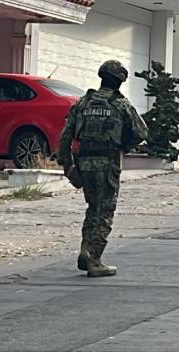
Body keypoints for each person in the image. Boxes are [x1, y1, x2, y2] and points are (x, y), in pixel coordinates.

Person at [57, 60, 148, 277]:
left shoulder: (82, 103)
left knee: (92, 207)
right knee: (105, 210)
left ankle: (85, 248)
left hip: (85, 162)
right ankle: (94, 258)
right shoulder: (120, 104)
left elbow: (65, 137)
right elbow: (142, 132)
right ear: (119, 81)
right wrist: (124, 145)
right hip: (108, 163)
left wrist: (68, 166)